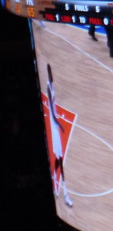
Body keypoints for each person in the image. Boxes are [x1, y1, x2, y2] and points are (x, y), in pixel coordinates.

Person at [46, 64, 73, 207]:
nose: (52, 75)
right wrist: (59, 123)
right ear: (48, 73)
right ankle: (65, 193)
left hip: (54, 124)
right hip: (54, 126)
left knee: (59, 159)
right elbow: (51, 108)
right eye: (50, 72)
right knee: (60, 158)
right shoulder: (48, 88)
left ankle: (57, 183)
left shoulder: (51, 85)